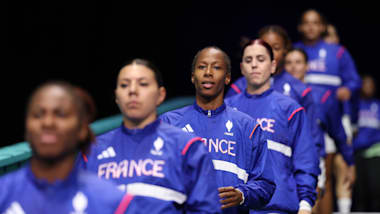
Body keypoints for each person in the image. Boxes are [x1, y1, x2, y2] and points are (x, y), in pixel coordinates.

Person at [81, 58, 221, 213]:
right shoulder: (93, 150)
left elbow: (207, 209)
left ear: (160, 95)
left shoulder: (187, 147)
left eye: (143, 84)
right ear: (116, 96)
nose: (132, 90)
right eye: (124, 85)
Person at [160, 46, 276, 213]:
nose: (208, 72)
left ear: (227, 77)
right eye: (201, 67)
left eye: (216, 67)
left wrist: (242, 195)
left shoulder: (248, 127)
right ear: (193, 77)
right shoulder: (168, 123)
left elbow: (266, 184)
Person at [0, 81, 131, 214]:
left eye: (61, 114)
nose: (48, 123)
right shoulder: (3, 193)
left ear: (82, 129)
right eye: (38, 115)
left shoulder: (112, 201)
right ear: (26, 127)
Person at [225, 39, 319, 214]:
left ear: (273, 65)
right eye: (248, 60)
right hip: (235, 208)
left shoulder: (290, 109)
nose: (254, 65)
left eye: (261, 59)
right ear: (242, 67)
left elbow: (305, 159)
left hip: (278, 207)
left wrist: (305, 204)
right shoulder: (226, 109)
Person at [294, 11, 360, 213]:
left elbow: (355, 80)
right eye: (307, 23)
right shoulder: (294, 52)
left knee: (327, 175)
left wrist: (347, 89)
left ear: (323, 26)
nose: (311, 27)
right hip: (299, 122)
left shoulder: (337, 52)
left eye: (316, 23)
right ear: (300, 27)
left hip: (330, 121)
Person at [284, 48, 355, 214]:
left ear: (307, 66)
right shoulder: (273, 95)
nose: (294, 67)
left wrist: (350, 162)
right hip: (281, 162)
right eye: (289, 62)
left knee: (310, 207)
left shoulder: (323, 96)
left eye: (298, 62)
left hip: (313, 160)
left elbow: (338, 131)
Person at [352, 75, 380, 212]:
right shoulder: (354, 106)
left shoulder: (378, 105)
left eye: (371, 84)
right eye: (365, 84)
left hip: (374, 153)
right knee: (358, 191)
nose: (368, 87)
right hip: (356, 153)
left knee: (375, 188)